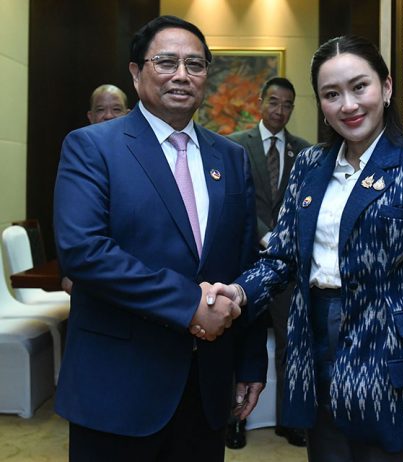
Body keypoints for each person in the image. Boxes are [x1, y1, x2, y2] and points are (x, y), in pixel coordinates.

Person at [205, 35, 403, 462]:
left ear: (386, 87)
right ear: (321, 105)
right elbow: (282, 256)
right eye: (332, 94)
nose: (348, 105)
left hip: (392, 369)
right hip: (316, 353)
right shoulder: (309, 165)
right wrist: (238, 292)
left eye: (359, 87)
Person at [53, 15, 266, 462]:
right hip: (117, 388)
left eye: (195, 64)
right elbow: (84, 252)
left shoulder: (231, 157)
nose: (182, 75)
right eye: (166, 62)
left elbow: (245, 264)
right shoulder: (92, 147)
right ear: (136, 72)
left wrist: (250, 362)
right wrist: (189, 304)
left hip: (206, 387)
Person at [225, 76, 310, 449]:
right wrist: (264, 234)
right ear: (260, 102)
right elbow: (235, 199)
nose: (280, 110)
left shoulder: (304, 151)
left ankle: (290, 420)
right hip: (245, 260)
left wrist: (284, 239)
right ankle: (235, 420)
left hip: (286, 266)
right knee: (238, 339)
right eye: (273, 102)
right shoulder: (235, 146)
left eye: (287, 104)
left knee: (292, 342)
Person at [60, 84, 132, 296]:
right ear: (90, 117)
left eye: (116, 109)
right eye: (100, 110)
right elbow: (69, 224)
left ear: (128, 114)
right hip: (93, 270)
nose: (108, 115)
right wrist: (66, 272)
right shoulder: (78, 153)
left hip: (137, 272)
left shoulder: (143, 154)